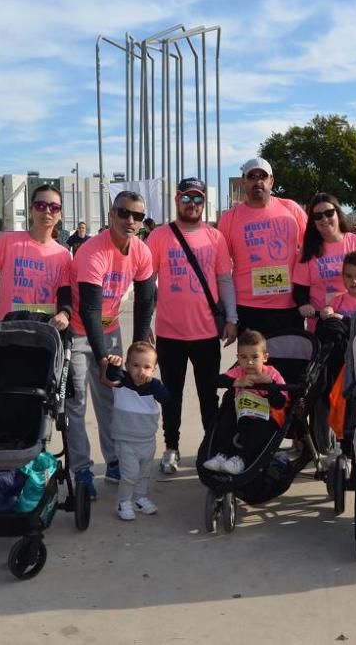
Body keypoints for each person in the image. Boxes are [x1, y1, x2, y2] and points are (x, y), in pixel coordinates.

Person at [67, 190, 157, 499]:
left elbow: (146, 302)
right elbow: (90, 310)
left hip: (112, 330)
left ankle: (115, 460)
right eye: (124, 213)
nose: (130, 220)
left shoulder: (142, 252)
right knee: (76, 403)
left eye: (138, 216)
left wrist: (135, 350)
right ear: (111, 215)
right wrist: (103, 358)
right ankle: (80, 470)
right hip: (79, 332)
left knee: (111, 398)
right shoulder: (93, 251)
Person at [147, 177, 238, 475]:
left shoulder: (215, 237)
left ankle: (210, 446)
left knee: (208, 395)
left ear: (204, 202)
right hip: (170, 332)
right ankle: (171, 448)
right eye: (187, 198)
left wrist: (232, 319)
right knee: (170, 396)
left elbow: (225, 279)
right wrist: (143, 323)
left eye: (198, 199)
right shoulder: (160, 236)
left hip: (206, 332)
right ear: (177, 199)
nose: (192, 204)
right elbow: (146, 281)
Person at [217, 157, 308, 335]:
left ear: (271, 181)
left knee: (290, 362)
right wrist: (230, 316)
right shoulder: (230, 218)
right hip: (247, 307)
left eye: (262, 176)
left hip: (288, 306)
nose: (257, 181)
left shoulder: (291, 208)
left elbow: (313, 245)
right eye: (252, 176)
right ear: (244, 181)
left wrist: (350, 236)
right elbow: (220, 266)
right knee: (251, 363)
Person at [0, 184, 72, 331]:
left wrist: (64, 314)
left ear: (60, 214)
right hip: (8, 332)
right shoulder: (8, 241)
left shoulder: (64, 255)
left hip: (44, 335)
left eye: (54, 207)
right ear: (31, 211)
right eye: (40, 205)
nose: (47, 211)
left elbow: (65, 295)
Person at [293, 193, 356, 332]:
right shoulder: (307, 250)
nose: (324, 219)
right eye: (318, 216)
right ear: (313, 221)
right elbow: (299, 289)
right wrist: (304, 304)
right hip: (324, 326)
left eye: (329, 213)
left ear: (338, 214)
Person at [101, 341, 171, 521]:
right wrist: (113, 365)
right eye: (136, 365)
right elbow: (111, 375)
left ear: (154, 369)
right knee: (130, 474)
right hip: (126, 441)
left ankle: (139, 498)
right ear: (127, 366)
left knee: (144, 473)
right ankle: (123, 502)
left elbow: (167, 398)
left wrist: (153, 385)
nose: (141, 371)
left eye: (147, 367)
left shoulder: (154, 386)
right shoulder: (122, 382)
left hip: (148, 440)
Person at [202, 329, 288, 474]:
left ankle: (241, 459)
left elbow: (280, 403)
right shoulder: (239, 372)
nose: (249, 362)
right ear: (238, 358)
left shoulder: (272, 373)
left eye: (255, 357)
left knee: (260, 429)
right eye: (243, 357)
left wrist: (271, 385)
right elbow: (215, 381)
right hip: (242, 414)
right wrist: (237, 381)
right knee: (225, 417)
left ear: (265, 357)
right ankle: (221, 455)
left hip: (266, 416)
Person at [320, 251, 356, 321]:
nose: (353, 281)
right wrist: (326, 311)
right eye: (349, 276)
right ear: (343, 277)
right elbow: (326, 313)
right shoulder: (337, 301)